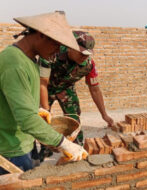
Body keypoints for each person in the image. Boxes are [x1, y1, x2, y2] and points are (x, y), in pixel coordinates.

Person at [0, 11, 88, 174]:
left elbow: (16, 100)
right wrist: (64, 143)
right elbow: (26, 120)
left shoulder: (30, 59)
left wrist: (36, 109)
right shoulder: (14, 63)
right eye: (56, 45)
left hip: (23, 141)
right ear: (41, 34)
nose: (57, 51)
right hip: (10, 150)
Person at [37, 31, 114, 161]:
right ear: (70, 46)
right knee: (41, 119)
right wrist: (45, 109)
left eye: (88, 54)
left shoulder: (89, 65)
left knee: (75, 117)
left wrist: (104, 115)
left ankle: (77, 147)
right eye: (81, 53)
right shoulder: (51, 53)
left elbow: (95, 89)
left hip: (65, 89)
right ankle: (45, 149)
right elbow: (41, 84)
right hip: (43, 87)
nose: (84, 57)